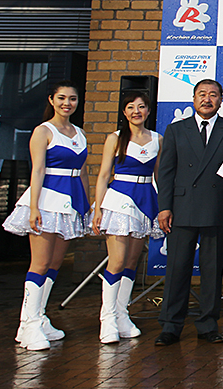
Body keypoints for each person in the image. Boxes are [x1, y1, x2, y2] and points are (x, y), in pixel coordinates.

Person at [155, 79, 223, 346]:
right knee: (177, 269)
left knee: (212, 270)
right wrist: (164, 207)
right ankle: (171, 325)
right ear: (194, 99)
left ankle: (208, 324)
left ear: (221, 100)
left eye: (213, 95)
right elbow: (166, 172)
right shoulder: (176, 129)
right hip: (182, 208)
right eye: (202, 94)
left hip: (217, 207)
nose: (207, 99)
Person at [4, 81, 89, 351]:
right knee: (39, 264)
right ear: (52, 100)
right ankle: (28, 324)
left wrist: (86, 206)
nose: (67, 103)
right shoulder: (43, 131)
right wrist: (34, 207)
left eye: (72, 99)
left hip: (70, 204)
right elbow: (38, 170)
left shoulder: (80, 133)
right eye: (62, 98)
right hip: (47, 201)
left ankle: (38, 317)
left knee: (54, 263)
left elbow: (83, 172)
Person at [91, 91, 162, 344]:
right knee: (117, 261)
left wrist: (163, 206)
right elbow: (103, 175)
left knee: (132, 262)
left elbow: (159, 176)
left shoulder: (158, 139)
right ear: (124, 112)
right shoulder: (115, 138)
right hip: (119, 199)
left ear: (148, 111)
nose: (136, 111)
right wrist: (98, 209)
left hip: (145, 199)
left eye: (141, 107)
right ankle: (107, 318)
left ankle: (122, 314)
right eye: (131, 107)